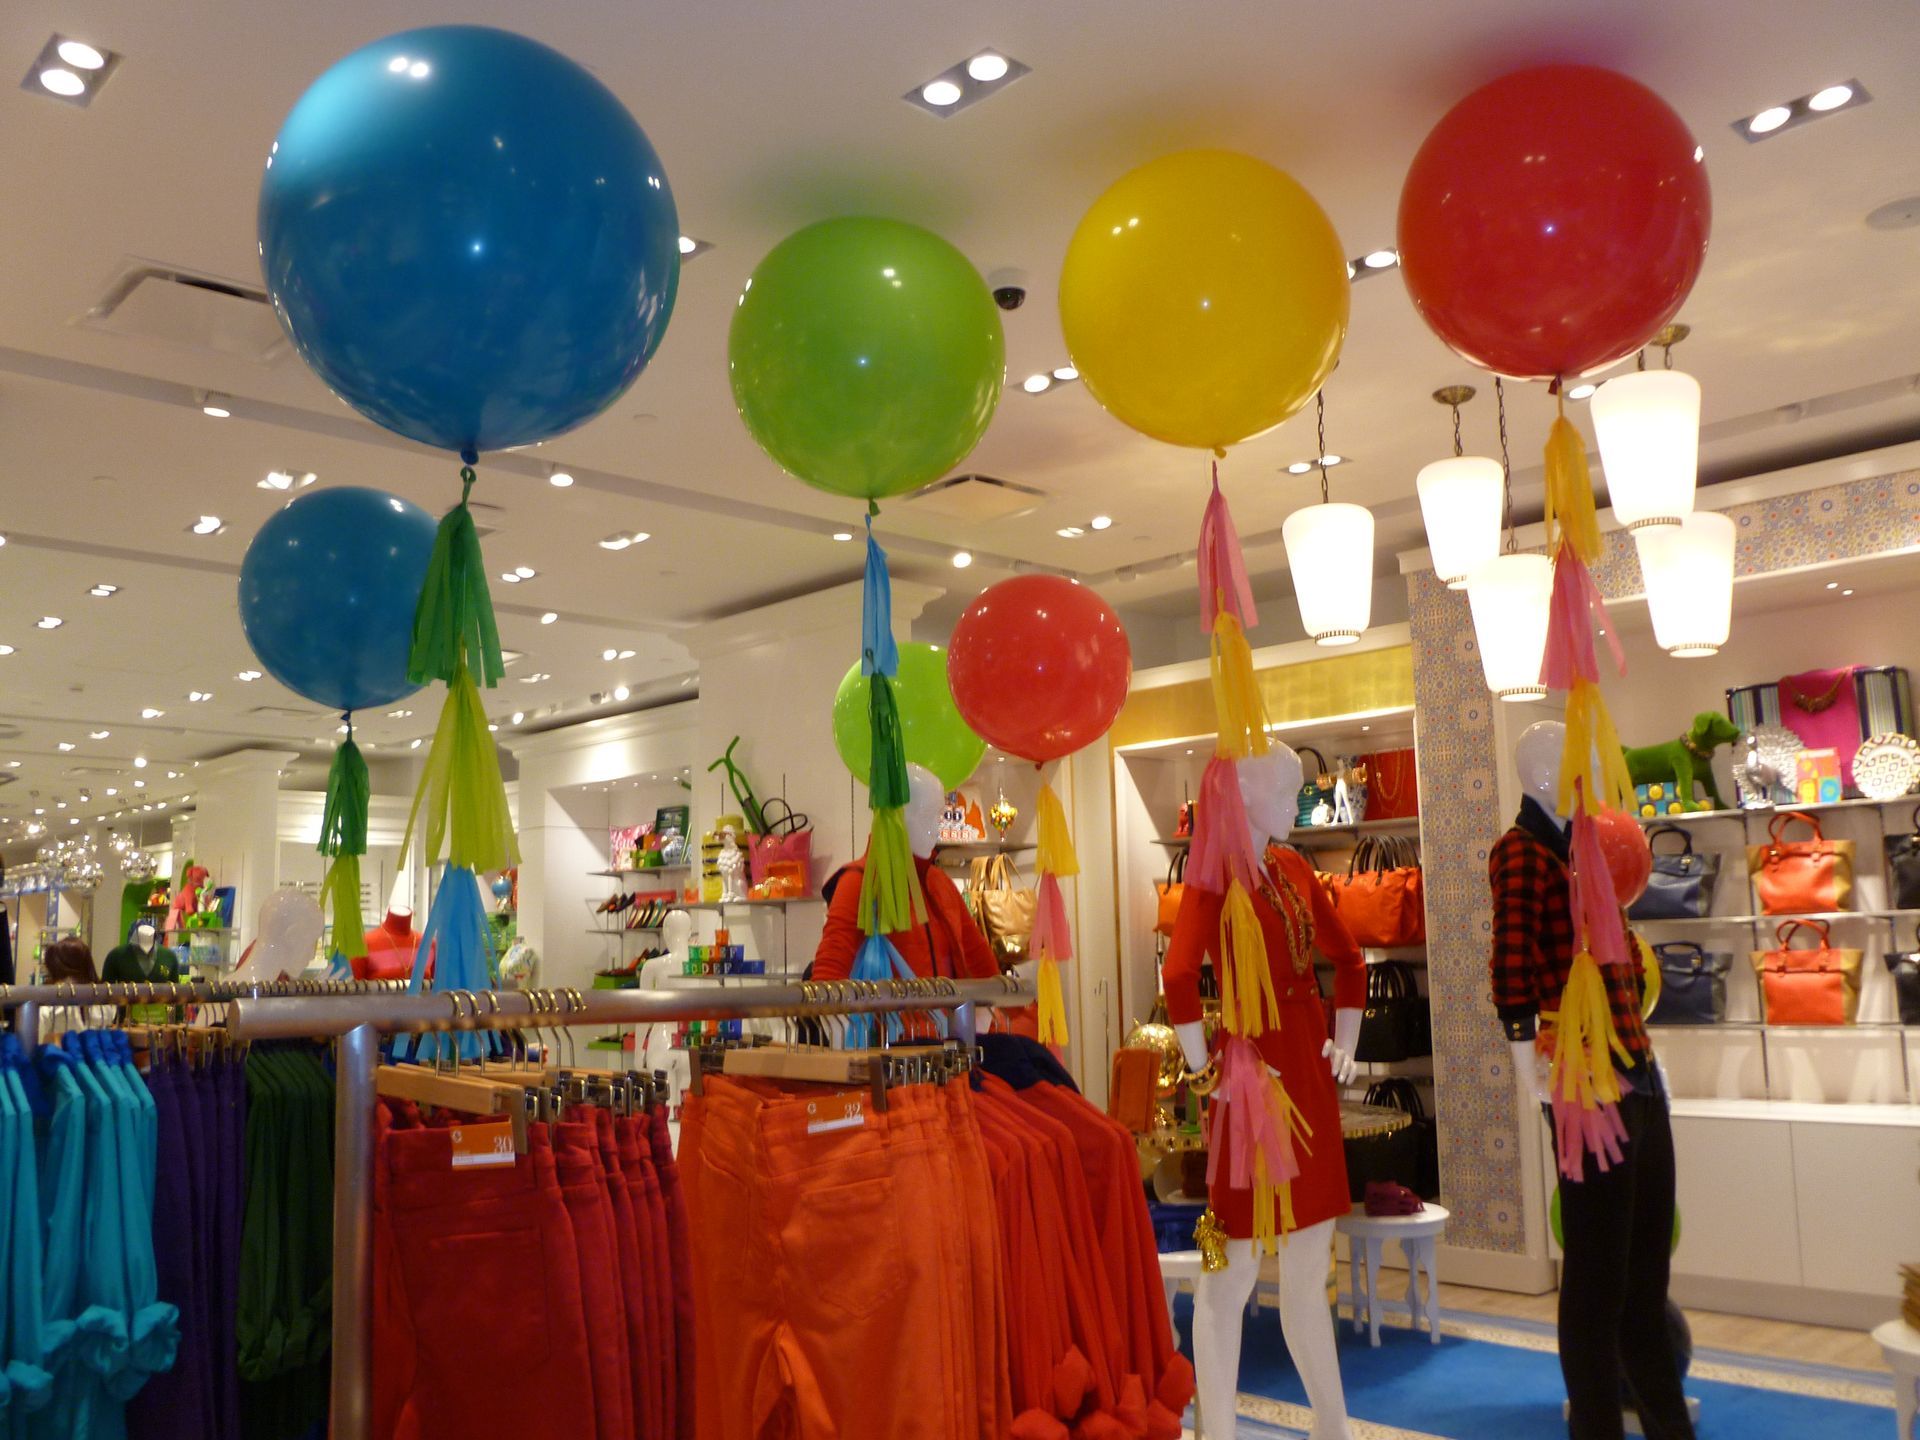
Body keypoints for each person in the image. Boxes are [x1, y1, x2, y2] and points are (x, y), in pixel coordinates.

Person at [1491, 721, 1693, 1440]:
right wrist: (1529, 1072)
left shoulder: (1588, 849)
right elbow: (1511, 971)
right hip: (1579, 1078)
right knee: (1597, 1276)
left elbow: (1624, 965)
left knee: (1643, 1270)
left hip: (1634, 1066)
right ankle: (1598, 1427)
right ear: (1545, 773)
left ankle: (1668, 1424)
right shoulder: (1522, 855)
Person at [812, 764, 1002, 985]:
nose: (935, 828)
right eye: (926, 815)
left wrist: (991, 1010)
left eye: (938, 816)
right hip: (885, 1019)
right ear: (896, 817)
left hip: (946, 1019)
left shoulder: (939, 883)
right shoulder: (858, 881)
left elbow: (981, 963)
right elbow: (827, 978)